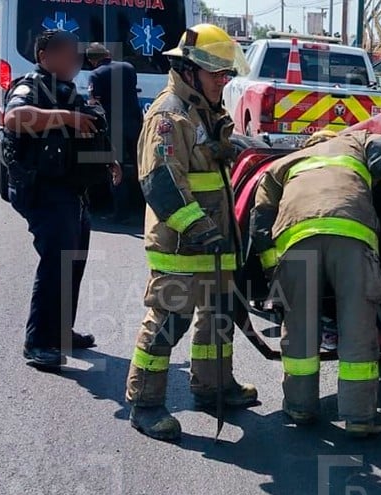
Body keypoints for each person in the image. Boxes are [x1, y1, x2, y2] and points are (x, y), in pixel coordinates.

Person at [124, 24, 256, 441]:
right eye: (215, 72)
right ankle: (145, 405)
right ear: (188, 70)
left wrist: (223, 150)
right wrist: (200, 228)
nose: (223, 80)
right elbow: (161, 182)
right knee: (168, 323)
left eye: (226, 72)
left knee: (218, 319)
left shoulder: (203, 109)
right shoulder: (169, 116)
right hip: (182, 245)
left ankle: (213, 386)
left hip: (213, 243)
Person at [250, 129, 381, 437]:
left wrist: (272, 269)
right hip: (350, 233)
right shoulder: (355, 141)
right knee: (356, 324)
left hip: (295, 241)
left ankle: (299, 406)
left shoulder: (284, 163)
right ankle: (360, 416)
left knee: (299, 326)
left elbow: (260, 220)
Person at [1, 30, 122, 370]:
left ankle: (60, 331)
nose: (75, 60)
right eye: (67, 54)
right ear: (44, 57)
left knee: (73, 260)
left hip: (70, 189)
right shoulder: (31, 87)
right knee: (56, 263)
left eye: (76, 55)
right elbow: (14, 118)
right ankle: (38, 342)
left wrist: (108, 158)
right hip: (43, 190)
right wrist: (67, 117)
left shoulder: (66, 89)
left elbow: (87, 131)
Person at [86, 43, 145, 223]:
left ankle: (121, 213)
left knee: (116, 168)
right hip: (135, 123)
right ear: (107, 54)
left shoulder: (96, 75)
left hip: (114, 126)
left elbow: (94, 102)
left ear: (92, 61)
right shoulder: (128, 67)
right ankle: (148, 208)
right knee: (142, 166)